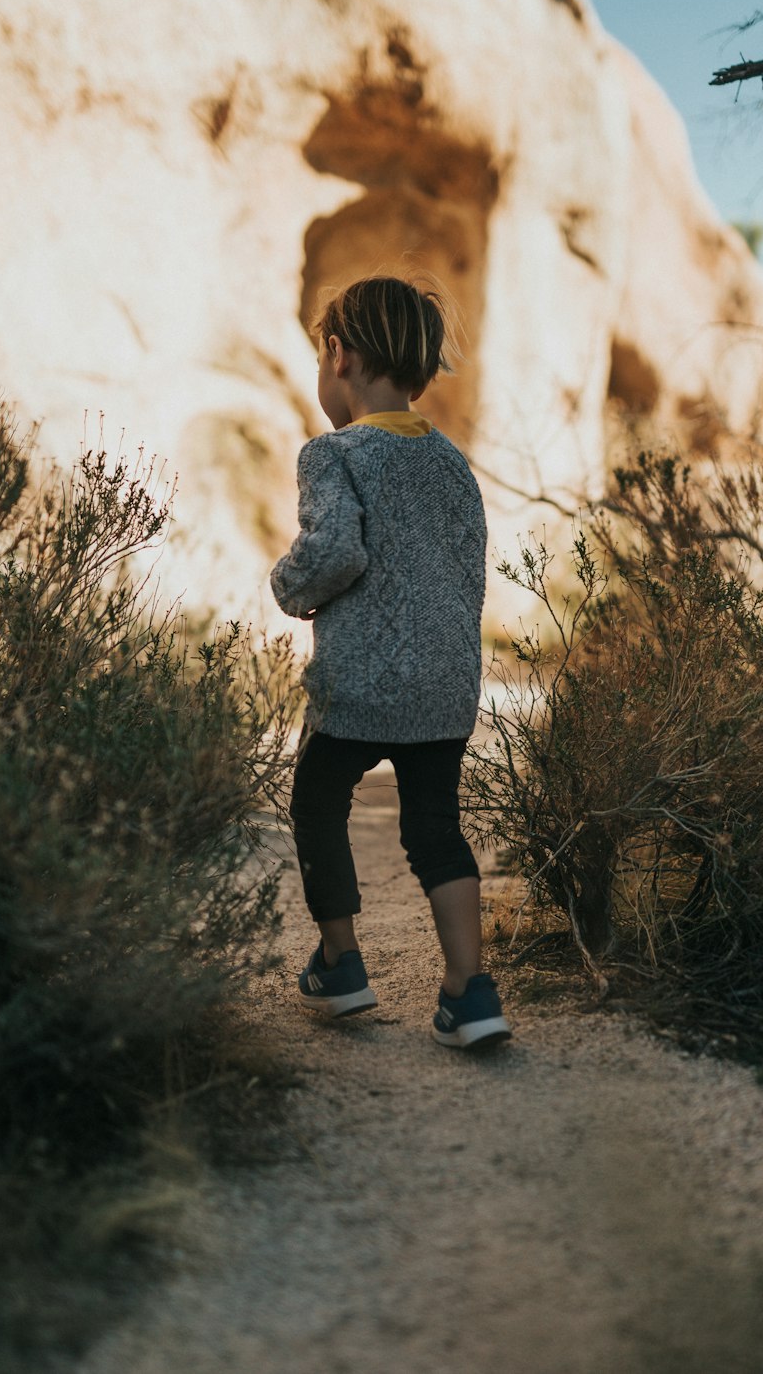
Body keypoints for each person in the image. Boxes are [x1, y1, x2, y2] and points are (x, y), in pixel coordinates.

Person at [270, 276, 511, 1050]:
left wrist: (288, 585)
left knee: (317, 800)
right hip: (444, 689)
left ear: (338, 356)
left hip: (361, 682)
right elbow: (465, 569)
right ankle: (469, 991)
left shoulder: (331, 454)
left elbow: (334, 550)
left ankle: (341, 964)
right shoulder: (453, 464)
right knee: (436, 826)